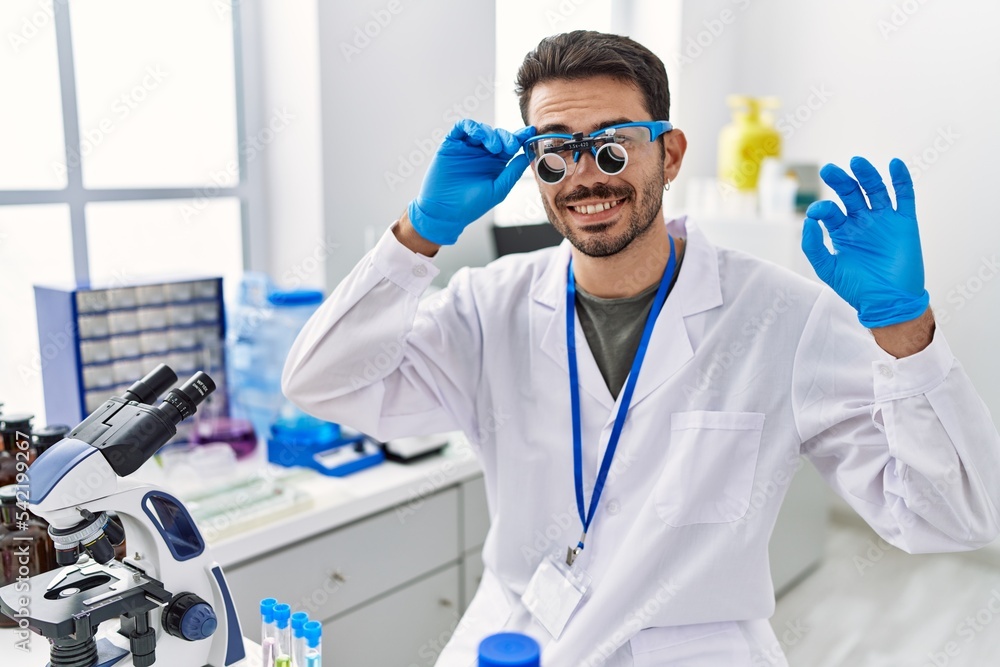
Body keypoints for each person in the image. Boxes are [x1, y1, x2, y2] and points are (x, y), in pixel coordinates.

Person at [281, 30, 1000, 667]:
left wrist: (905, 331)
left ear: (671, 152)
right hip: (521, 634)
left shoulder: (781, 317)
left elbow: (954, 514)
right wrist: (417, 233)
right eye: (556, 150)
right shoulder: (486, 306)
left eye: (612, 144)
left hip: (693, 644)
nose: (586, 175)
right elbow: (322, 382)